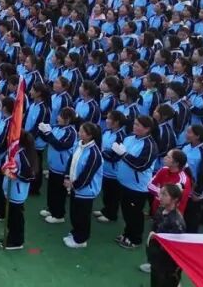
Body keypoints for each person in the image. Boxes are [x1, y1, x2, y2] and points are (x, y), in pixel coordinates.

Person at [114, 115, 159, 249]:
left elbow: (141, 165)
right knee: (126, 211)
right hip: (124, 183)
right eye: (134, 124)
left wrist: (123, 154)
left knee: (135, 214)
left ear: (147, 129)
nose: (134, 127)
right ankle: (127, 234)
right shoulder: (129, 138)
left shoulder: (150, 145)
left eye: (138, 125)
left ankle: (135, 239)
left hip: (137, 187)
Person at [64, 121, 103, 248]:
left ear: (90, 135)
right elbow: (71, 161)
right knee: (74, 213)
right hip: (75, 187)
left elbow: (87, 175)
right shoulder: (79, 144)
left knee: (82, 216)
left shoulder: (94, 153)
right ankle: (76, 232)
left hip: (86, 191)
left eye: (82, 131)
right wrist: (67, 177)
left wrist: (74, 185)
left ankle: (81, 239)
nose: (79, 133)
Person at [0, 132, 39, 251]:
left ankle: (17, 241)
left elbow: (29, 175)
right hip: (11, 189)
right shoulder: (15, 151)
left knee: (16, 217)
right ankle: (11, 237)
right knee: (11, 216)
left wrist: (16, 172)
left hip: (17, 192)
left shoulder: (24, 154)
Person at [140, 183, 186, 285]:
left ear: (174, 199)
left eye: (164, 194)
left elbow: (175, 249)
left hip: (167, 267)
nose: (160, 197)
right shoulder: (160, 210)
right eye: (160, 193)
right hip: (156, 260)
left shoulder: (177, 222)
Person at [39, 107, 77, 224]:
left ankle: (59, 214)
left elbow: (60, 146)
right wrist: (42, 131)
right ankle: (51, 209)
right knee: (51, 189)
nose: (58, 117)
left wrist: (48, 133)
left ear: (68, 119)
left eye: (61, 116)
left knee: (59, 192)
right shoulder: (57, 127)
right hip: (53, 166)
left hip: (62, 168)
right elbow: (48, 139)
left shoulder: (70, 132)